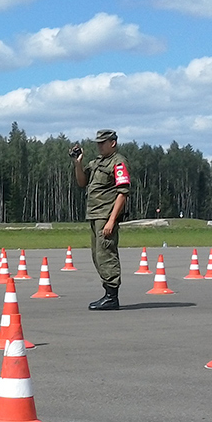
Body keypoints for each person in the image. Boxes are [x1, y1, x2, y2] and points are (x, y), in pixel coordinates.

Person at [72, 129, 130, 310]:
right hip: (95, 214)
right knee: (97, 255)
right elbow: (82, 182)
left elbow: (123, 193)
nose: (99, 146)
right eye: (98, 142)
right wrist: (77, 163)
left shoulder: (118, 162)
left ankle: (112, 297)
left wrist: (112, 220)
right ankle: (108, 294)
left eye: (102, 142)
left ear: (112, 143)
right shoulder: (97, 162)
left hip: (105, 215)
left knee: (106, 254)